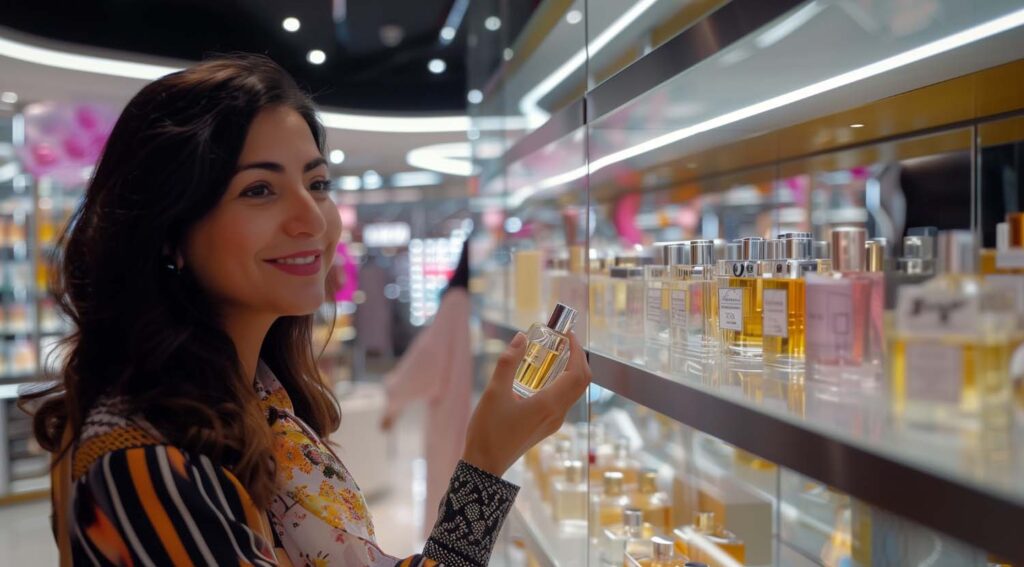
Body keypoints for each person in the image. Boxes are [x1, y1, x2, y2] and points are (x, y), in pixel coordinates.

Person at [21, 54, 591, 566]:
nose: (313, 220)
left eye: (316, 183)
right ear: (169, 231)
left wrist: (486, 463)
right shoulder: (148, 465)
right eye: (259, 191)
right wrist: (484, 461)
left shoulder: (257, 402)